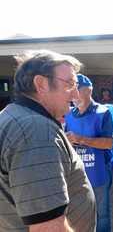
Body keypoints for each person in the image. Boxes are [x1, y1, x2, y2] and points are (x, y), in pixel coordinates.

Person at [0, 50, 96, 232]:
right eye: (70, 84)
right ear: (41, 84)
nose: (76, 94)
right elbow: (48, 228)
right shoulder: (36, 130)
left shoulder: (13, 116)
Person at [65, 74, 113, 232]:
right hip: (76, 173)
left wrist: (81, 139)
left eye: (77, 90)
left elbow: (109, 143)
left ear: (89, 91)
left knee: (101, 214)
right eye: (70, 90)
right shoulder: (68, 114)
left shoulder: (103, 112)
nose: (73, 95)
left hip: (99, 172)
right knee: (76, 212)